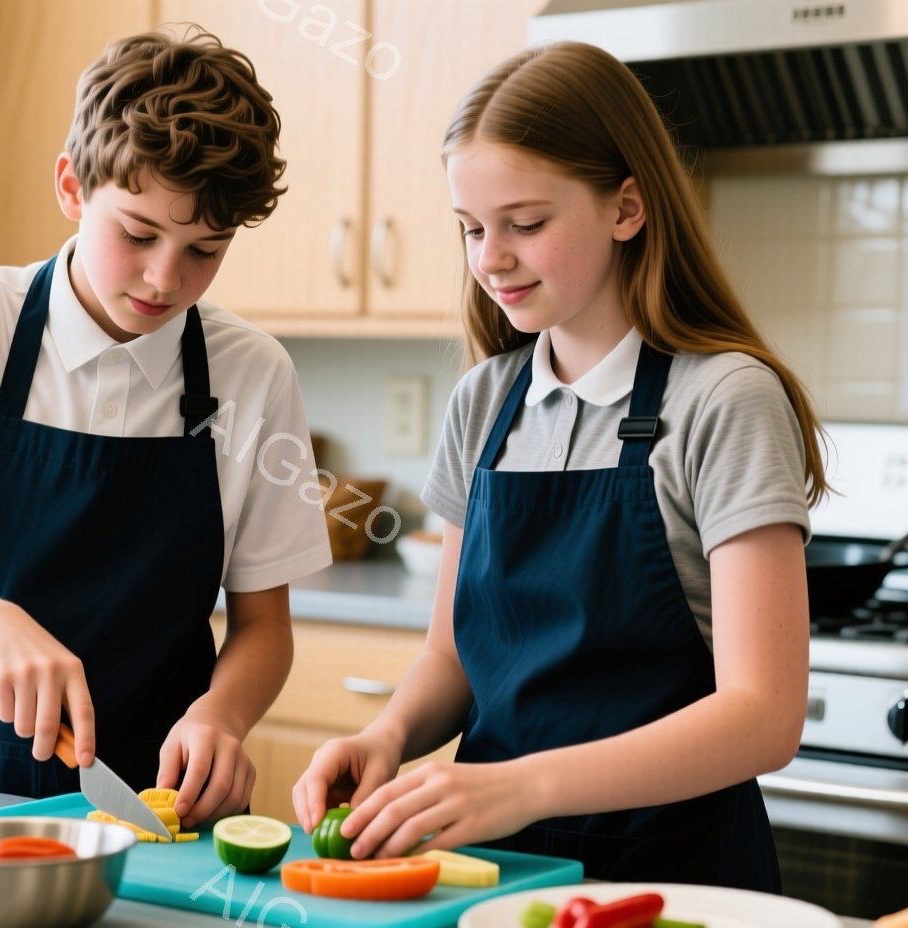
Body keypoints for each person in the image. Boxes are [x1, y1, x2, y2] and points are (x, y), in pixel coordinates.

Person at [291, 41, 827, 891]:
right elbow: (453, 659)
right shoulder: (484, 401)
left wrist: (522, 785)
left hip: (670, 880)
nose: (490, 258)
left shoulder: (723, 400)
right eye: (471, 229)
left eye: (526, 224)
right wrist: (385, 738)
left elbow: (764, 718)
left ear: (627, 207)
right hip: (490, 871)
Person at [0, 29, 332, 827]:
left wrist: (224, 716)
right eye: (139, 234)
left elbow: (263, 626)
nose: (165, 278)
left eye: (205, 250)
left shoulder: (252, 372)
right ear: (73, 188)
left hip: (164, 807)